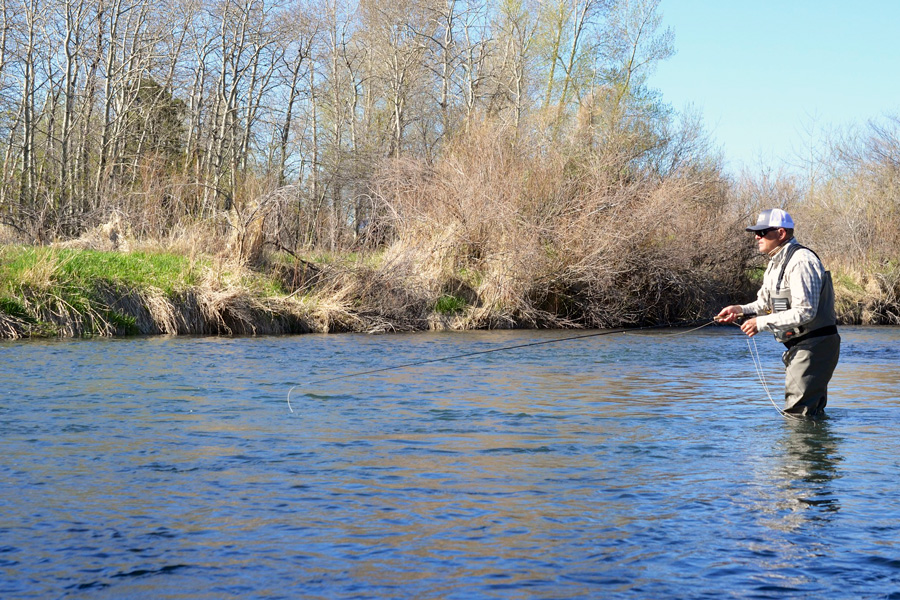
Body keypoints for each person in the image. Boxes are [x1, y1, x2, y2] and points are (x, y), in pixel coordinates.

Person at [716, 208, 840, 418]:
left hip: (815, 346)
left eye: (763, 232)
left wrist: (760, 323)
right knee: (807, 413)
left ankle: (801, 451)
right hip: (800, 346)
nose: (757, 237)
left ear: (781, 233)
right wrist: (739, 310)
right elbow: (764, 303)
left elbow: (805, 312)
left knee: (797, 415)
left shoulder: (801, 262)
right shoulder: (775, 263)